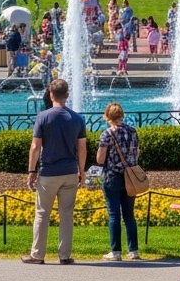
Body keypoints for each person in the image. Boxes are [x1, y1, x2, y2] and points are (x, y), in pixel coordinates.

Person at [22, 79, 86, 265]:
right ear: (67, 95)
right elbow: (82, 148)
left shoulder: (43, 117)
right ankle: (64, 255)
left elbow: (35, 147)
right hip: (69, 171)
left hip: (49, 171)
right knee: (66, 214)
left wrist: (31, 170)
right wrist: (81, 171)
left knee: (42, 213)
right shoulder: (77, 118)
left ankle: (37, 254)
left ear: (51, 95)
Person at [96, 102, 140, 261]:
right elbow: (136, 153)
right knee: (129, 215)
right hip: (130, 177)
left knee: (114, 214)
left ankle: (115, 252)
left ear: (107, 117)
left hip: (112, 176)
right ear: (122, 114)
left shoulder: (107, 134)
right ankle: (133, 250)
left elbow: (100, 160)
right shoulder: (132, 131)